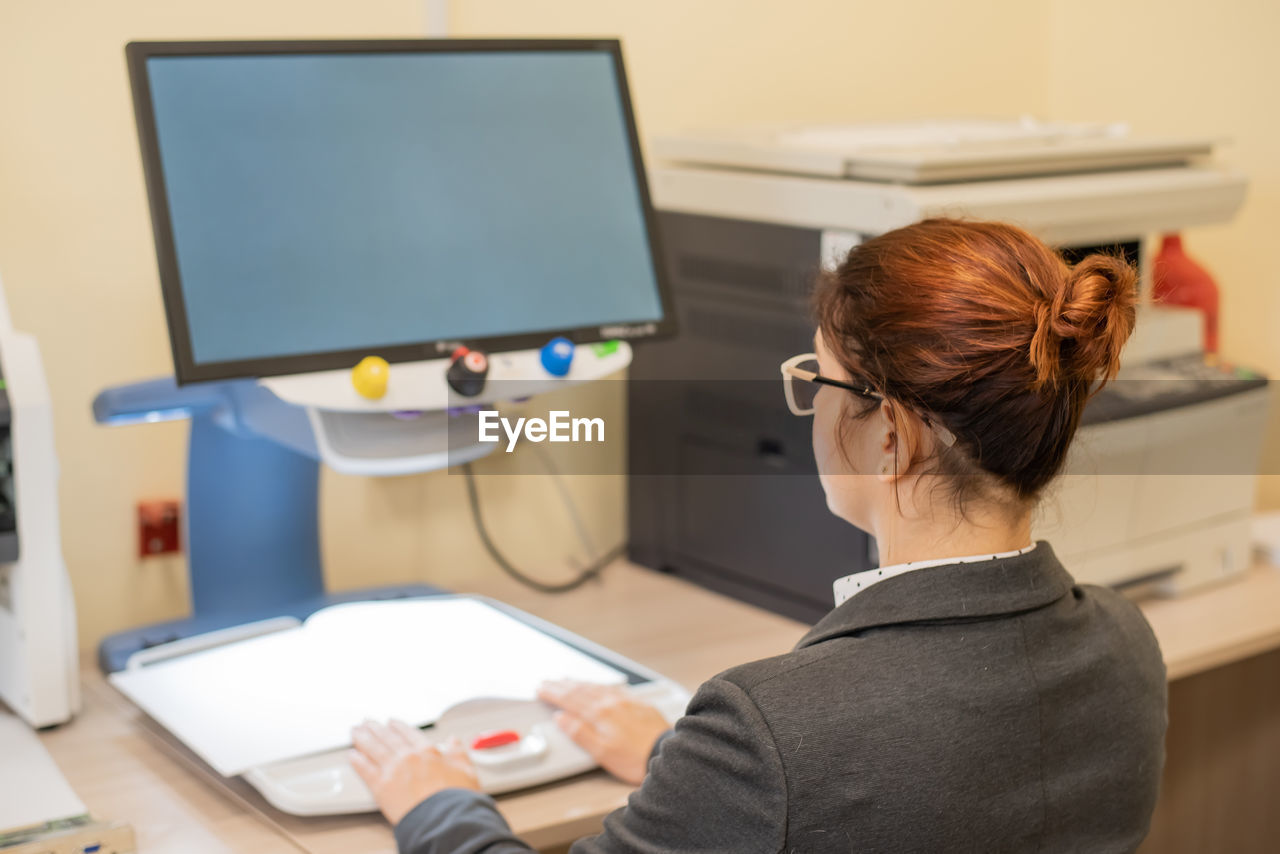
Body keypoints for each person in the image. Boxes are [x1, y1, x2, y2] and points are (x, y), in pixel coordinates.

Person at [350, 218, 1168, 853]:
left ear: (892, 436)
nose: (808, 407)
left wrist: (437, 803)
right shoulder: (1127, 643)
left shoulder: (770, 726)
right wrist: (694, 771)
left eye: (816, 380)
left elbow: (835, 763)